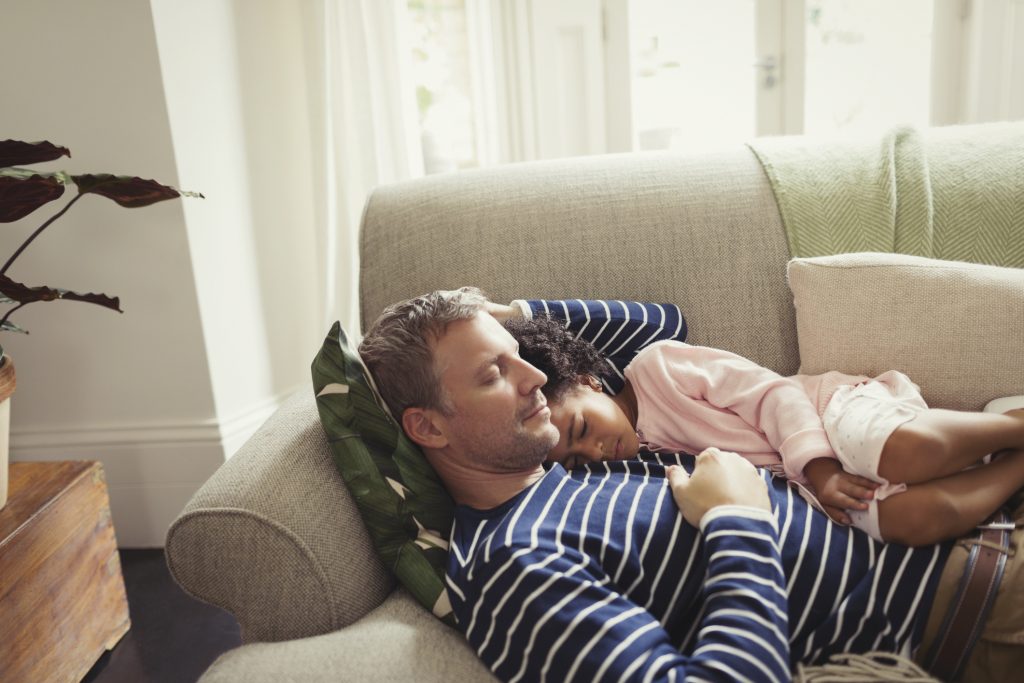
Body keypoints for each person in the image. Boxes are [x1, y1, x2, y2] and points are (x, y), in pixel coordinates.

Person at [357, 287, 1022, 683]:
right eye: (492, 375)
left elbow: (657, 326)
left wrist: (516, 311)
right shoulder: (516, 563)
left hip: (981, 528)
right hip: (972, 610)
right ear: (428, 428)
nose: (531, 377)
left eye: (516, 356)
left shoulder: (577, 462)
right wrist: (739, 522)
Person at [503, 314, 1024, 547]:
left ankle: (1010, 426)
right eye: (580, 460)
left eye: (582, 428)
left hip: (832, 413)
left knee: (883, 453)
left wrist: (819, 469)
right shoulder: (643, 464)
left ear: (590, 382)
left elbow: (771, 393)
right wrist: (818, 484)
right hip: (816, 486)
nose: (597, 451)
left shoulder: (658, 368)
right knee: (898, 522)